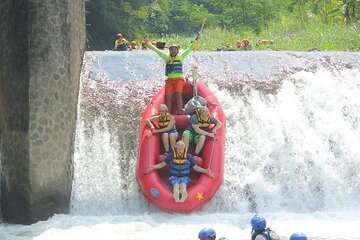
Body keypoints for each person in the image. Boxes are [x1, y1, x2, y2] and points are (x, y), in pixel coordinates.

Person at [145, 33, 201, 114]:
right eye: (171, 49)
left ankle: (181, 111)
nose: (173, 50)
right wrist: (148, 43)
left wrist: (196, 39)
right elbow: (156, 50)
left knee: (178, 94)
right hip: (170, 80)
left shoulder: (181, 57)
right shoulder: (166, 57)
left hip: (179, 80)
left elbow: (189, 49)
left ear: (177, 51)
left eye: (174, 49)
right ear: (169, 51)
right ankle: (168, 113)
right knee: (168, 97)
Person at [146, 140, 213, 203]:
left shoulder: (189, 157)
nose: (180, 150)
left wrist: (205, 171)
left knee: (183, 185)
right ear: (176, 148)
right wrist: (153, 167)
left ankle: (184, 193)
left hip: (184, 176)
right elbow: (162, 164)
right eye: (179, 149)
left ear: (184, 149)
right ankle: (176, 194)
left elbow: (196, 168)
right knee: (176, 185)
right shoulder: (171, 156)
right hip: (174, 176)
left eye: (181, 149)